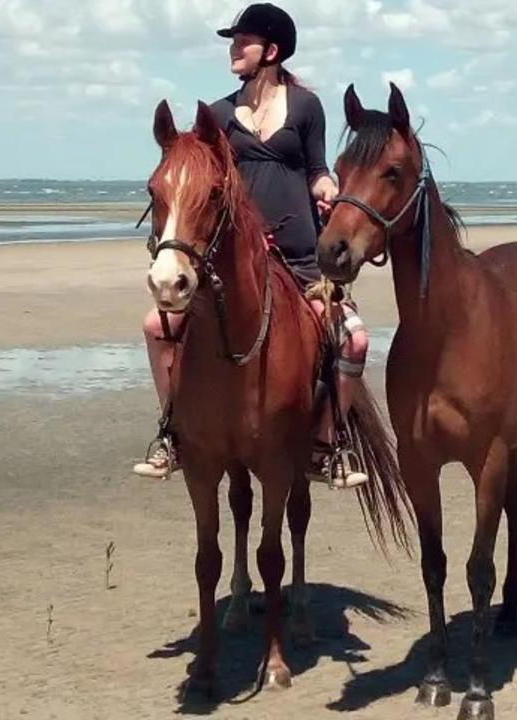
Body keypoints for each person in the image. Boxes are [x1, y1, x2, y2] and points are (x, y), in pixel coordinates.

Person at [133, 2, 369, 488]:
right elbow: (209, 184)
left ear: (272, 50)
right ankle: (172, 431)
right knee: (157, 325)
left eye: (243, 40)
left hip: (301, 256)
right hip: (237, 261)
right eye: (233, 41)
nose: (234, 48)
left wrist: (327, 187)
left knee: (354, 339)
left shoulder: (305, 107)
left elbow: (315, 167)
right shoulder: (218, 116)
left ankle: (328, 443)